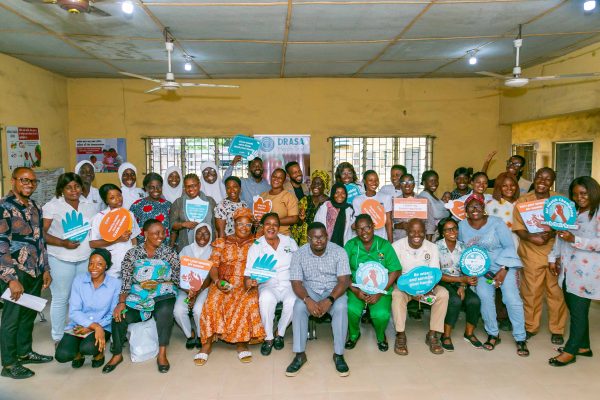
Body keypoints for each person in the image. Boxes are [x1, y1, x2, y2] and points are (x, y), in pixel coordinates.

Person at [102, 219, 180, 374]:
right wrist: (122, 302)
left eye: (162, 232)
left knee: (165, 312)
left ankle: (162, 353)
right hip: (138, 294)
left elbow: (177, 278)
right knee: (119, 315)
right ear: (145, 234)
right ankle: (117, 354)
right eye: (156, 233)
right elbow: (126, 280)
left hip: (162, 293)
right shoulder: (133, 253)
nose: (161, 236)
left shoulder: (169, 252)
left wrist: (161, 282)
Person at [459, 194, 529, 356]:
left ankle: (520, 337)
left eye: (478, 206)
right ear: (466, 210)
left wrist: (504, 269)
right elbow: (464, 250)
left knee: (511, 298)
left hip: (503, 266)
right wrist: (469, 271)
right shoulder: (462, 225)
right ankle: (493, 333)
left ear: (484, 208)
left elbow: (509, 246)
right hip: (481, 270)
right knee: (484, 297)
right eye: (471, 207)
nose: (475, 210)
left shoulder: (496, 223)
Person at [195, 207, 265, 366]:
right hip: (223, 280)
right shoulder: (222, 241)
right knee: (213, 301)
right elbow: (213, 265)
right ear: (234, 224)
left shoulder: (256, 242)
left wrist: (254, 280)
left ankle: (241, 342)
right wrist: (217, 281)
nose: (244, 228)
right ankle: (206, 345)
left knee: (247, 301)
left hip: (246, 280)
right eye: (240, 224)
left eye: (248, 225)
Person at [0, 168, 53, 379]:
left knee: (28, 315)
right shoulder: (4, 207)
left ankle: (24, 352)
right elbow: (1, 244)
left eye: (33, 181)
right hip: (14, 273)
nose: (29, 184)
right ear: (13, 181)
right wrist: (11, 279)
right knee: (12, 319)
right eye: (24, 180)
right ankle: (9, 363)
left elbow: (41, 241)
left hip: (34, 271)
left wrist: (45, 268)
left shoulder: (34, 206)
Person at [285, 222, 351, 377]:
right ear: (308, 239)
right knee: (299, 308)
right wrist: (307, 300)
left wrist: (329, 299)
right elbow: (296, 283)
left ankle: (339, 354)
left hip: (334, 290)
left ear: (327, 237)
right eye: (314, 238)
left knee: (341, 308)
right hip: (310, 290)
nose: (319, 240)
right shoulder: (299, 254)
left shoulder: (339, 252)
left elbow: (344, 281)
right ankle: (300, 354)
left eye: (322, 237)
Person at [548, 176, 600, 366]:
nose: (579, 197)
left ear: (593, 192)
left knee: (578, 312)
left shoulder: (597, 213)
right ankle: (583, 346)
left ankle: (570, 351)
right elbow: (560, 236)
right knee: (574, 307)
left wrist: (575, 240)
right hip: (568, 270)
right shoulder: (573, 211)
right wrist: (553, 258)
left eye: (584, 193)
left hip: (587, 273)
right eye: (575, 194)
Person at [513, 167, 566, 344]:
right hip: (530, 252)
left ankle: (557, 329)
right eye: (539, 178)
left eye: (547, 179)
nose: (542, 182)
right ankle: (531, 326)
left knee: (556, 293)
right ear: (534, 179)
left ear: (552, 182)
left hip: (555, 252)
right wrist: (531, 237)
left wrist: (551, 234)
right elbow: (518, 227)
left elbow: (566, 225)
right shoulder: (523, 201)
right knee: (531, 292)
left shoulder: (560, 200)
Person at [43, 173, 97, 343]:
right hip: (60, 258)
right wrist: (62, 243)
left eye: (77, 186)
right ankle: (58, 337)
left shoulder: (89, 205)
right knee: (61, 298)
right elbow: (41, 234)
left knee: (81, 298)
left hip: (84, 258)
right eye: (69, 187)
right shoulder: (52, 206)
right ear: (61, 189)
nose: (74, 191)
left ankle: (78, 333)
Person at [344, 214, 401, 352]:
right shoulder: (350, 245)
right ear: (355, 230)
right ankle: (353, 335)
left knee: (381, 314)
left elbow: (395, 270)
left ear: (373, 227)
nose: (364, 232)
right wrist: (355, 290)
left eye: (367, 227)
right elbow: (343, 272)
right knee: (351, 309)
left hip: (380, 290)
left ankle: (381, 337)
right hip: (356, 289)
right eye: (360, 229)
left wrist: (380, 292)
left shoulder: (384, 245)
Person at [54, 249, 120, 369]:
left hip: (103, 326)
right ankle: (78, 354)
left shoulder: (115, 284)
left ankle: (98, 354)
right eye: (91, 263)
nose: (94, 267)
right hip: (79, 324)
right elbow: (74, 311)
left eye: (100, 264)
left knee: (88, 347)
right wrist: (92, 326)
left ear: (107, 266)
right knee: (62, 355)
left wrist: (97, 327)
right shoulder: (79, 280)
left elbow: (112, 313)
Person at [391, 219, 448, 355]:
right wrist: (412, 290)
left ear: (425, 232)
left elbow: (434, 274)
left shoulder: (432, 247)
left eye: (421, 232)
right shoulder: (396, 246)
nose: (417, 235)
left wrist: (424, 290)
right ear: (407, 232)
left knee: (443, 294)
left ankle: (432, 334)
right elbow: (395, 273)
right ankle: (400, 334)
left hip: (426, 287)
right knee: (397, 296)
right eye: (412, 232)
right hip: (404, 286)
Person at [245, 213, 298, 356]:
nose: (271, 227)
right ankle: (268, 337)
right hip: (267, 284)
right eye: (268, 224)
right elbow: (248, 275)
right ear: (262, 227)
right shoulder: (256, 246)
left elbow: (299, 263)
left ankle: (279, 333)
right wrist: (250, 281)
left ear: (279, 227)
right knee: (266, 299)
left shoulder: (289, 242)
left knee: (293, 301)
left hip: (288, 283)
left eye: (275, 224)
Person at [436, 218, 482, 351]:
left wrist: (463, 286)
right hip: (442, 282)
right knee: (454, 300)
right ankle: (445, 335)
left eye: (455, 228)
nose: (453, 232)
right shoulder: (436, 247)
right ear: (442, 232)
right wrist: (461, 281)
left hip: (461, 282)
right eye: (448, 229)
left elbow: (468, 270)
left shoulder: (463, 247)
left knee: (474, 300)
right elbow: (437, 274)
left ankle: (469, 333)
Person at [486, 172, 520, 332]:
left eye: (512, 185)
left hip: (519, 249)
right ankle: (500, 317)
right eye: (504, 185)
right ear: (499, 187)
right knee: (496, 284)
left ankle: (512, 318)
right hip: (498, 252)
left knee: (514, 287)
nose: (509, 188)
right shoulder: (492, 205)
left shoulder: (522, 204)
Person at [90, 184, 141, 282]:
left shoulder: (129, 214)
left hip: (129, 259)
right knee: (111, 290)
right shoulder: (99, 218)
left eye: (119, 195)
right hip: (111, 262)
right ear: (106, 201)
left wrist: (134, 253)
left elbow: (134, 237)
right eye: (112, 198)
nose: (118, 199)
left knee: (128, 290)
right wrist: (117, 240)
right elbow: (93, 243)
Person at [174, 224, 212, 349]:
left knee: (198, 310)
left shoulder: (213, 251)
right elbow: (178, 272)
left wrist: (196, 292)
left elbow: (210, 276)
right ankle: (190, 334)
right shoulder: (185, 250)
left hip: (204, 289)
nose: (202, 236)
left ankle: (201, 336)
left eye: (206, 233)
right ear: (194, 234)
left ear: (211, 235)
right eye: (199, 232)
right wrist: (188, 291)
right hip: (185, 288)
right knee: (178, 311)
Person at [170, 173, 217, 252]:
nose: (191, 189)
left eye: (194, 185)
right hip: (186, 245)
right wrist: (183, 224)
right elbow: (172, 225)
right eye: (187, 186)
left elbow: (215, 226)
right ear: (184, 188)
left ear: (199, 185)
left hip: (208, 245)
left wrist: (217, 244)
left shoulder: (210, 201)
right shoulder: (179, 202)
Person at [390, 173, 435, 242]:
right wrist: (398, 225)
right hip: (399, 240)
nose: (407, 184)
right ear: (400, 185)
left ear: (414, 184)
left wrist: (428, 243)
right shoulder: (394, 202)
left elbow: (430, 223)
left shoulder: (424, 201)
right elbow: (388, 223)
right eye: (404, 182)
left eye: (410, 182)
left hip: (420, 241)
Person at [291, 170, 330, 246]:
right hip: (305, 240)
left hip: (322, 240)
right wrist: (301, 220)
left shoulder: (330, 203)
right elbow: (297, 224)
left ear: (324, 185)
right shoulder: (304, 201)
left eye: (319, 183)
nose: (315, 185)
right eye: (314, 183)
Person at [130, 172, 172, 244]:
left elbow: (172, 228)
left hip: (164, 246)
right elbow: (131, 227)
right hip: (143, 246)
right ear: (146, 188)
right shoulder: (137, 205)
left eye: (158, 186)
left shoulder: (168, 205)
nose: (156, 190)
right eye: (152, 187)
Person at [352, 170, 393, 241]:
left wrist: (390, 241)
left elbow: (388, 222)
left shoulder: (386, 198)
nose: (374, 183)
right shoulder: (357, 200)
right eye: (370, 180)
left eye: (376, 180)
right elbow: (356, 223)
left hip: (382, 238)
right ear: (364, 181)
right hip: (364, 239)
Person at [259, 169, 299, 236]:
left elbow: (294, 218)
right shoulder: (262, 195)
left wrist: (272, 222)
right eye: (274, 176)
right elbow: (258, 216)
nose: (276, 179)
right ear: (271, 177)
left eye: (280, 178)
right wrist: (256, 222)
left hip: (281, 235)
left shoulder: (288, 197)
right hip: (262, 236)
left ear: (284, 180)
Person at [314, 182, 355, 247]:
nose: (340, 195)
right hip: (326, 245)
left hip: (344, 246)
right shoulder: (325, 206)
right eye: (337, 192)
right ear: (333, 194)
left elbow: (352, 230)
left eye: (343, 193)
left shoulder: (349, 209)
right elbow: (316, 224)